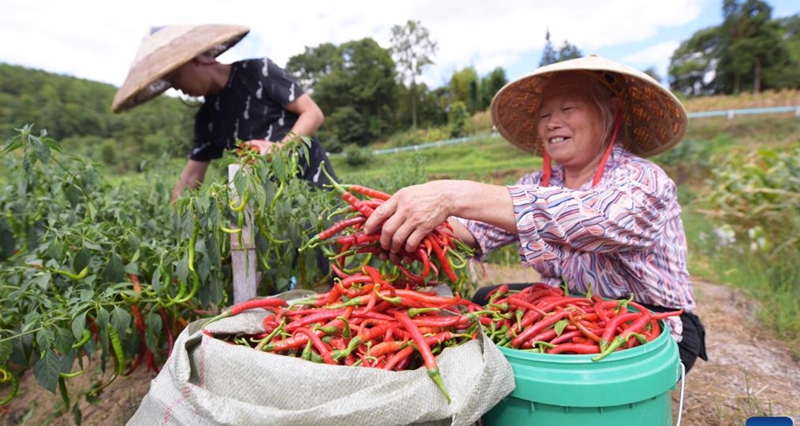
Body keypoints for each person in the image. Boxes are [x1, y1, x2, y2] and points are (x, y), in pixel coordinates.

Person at [363, 55, 708, 373]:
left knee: (575, 356)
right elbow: (472, 230)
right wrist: (407, 225)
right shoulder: (539, 182)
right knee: (483, 301)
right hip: (571, 310)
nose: (552, 123)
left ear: (612, 112)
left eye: (568, 108)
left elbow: (596, 219)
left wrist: (451, 194)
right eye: (544, 115)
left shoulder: (644, 180)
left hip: (651, 320)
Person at [111, 24, 337, 202]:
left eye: (175, 76)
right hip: (266, 205)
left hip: (314, 185)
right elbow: (191, 176)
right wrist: (176, 222)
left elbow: (312, 113)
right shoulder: (207, 117)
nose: (176, 87)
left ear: (196, 58)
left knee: (332, 250)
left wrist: (278, 150)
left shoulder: (258, 72)